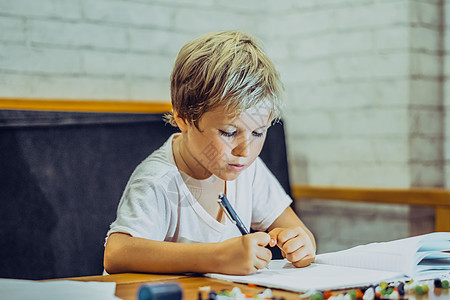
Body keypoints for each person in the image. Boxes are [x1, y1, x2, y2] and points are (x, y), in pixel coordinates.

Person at [104, 30, 316, 275]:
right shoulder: (158, 181)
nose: (244, 151)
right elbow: (116, 253)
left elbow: (299, 232)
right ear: (183, 120)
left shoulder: (248, 170)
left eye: (258, 133)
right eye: (228, 132)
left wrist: (301, 245)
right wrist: (217, 257)